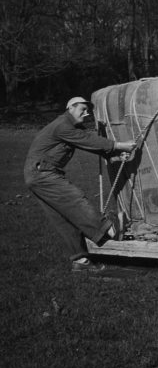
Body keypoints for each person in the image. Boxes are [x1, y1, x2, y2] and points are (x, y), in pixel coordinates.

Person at [24, 96, 136, 274]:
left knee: (64, 219)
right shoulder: (62, 125)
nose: (86, 113)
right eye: (82, 109)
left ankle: (81, 260)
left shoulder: (72, 128)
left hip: (36, 175)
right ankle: (110, 230)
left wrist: (114, 154)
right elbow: (88, 141)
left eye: (87, 110)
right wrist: (120, 145)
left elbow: (89, 143)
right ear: (70, 108)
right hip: (43, 174)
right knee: (75, 200)